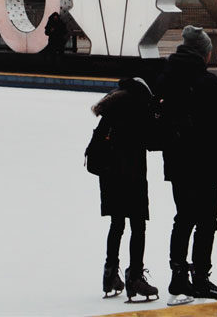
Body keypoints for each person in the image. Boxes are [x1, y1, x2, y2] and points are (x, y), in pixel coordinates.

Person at [156, 25, 217, 305]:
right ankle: (200, 279)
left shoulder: (166, 77)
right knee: (206, 221)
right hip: (205, 163)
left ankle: (178, 277)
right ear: (204, 53)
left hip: (176, 161)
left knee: (183, 218)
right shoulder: (207, 82)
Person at [88, 77, 159, 303]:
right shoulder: (137, 108)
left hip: (109, 176)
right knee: (138, 226)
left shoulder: (111, 108)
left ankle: (110, 274)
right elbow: (153, 140)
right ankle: (135, 277)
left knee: (117, 223)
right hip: (131, 175)